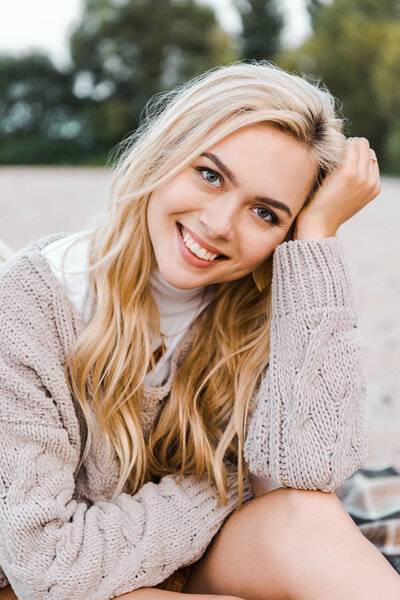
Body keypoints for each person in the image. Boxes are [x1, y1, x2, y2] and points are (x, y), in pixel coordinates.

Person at [0, 61, 398, 600]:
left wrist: (317, 242)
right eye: (210, 175)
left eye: (265, 212)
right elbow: (45, 566)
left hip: (179, 559)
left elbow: (310, 474)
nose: (218, 225)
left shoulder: (260, 305)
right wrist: (225, 488)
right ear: (167, 153)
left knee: (307, 517)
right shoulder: (32, 304)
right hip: (54, 585)